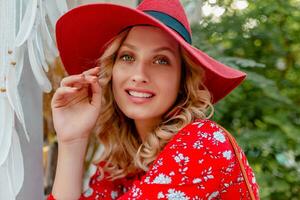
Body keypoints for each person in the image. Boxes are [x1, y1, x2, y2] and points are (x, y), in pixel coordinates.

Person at [48, 0, 259, 199]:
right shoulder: (119, 168)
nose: (139, 74)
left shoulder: (203, 143)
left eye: (161, 60)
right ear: (112, 71)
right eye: (128, 56)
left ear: (183, 79)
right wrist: (72, 141)